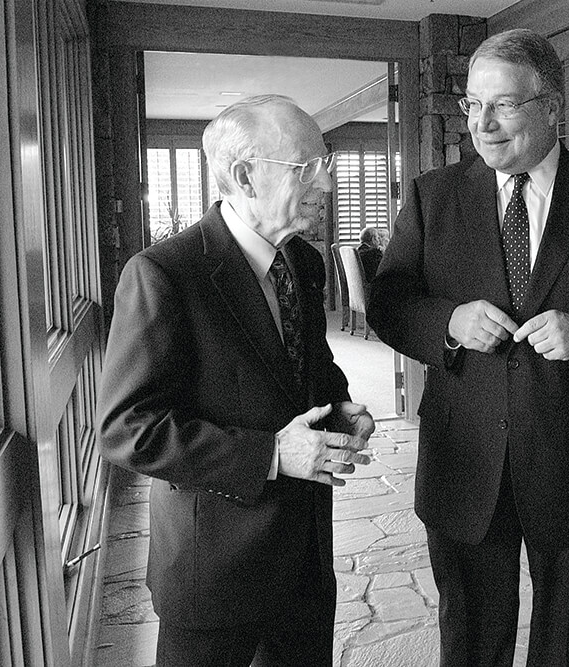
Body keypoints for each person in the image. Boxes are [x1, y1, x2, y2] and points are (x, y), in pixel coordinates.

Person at [368, 28, 569, 666]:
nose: (481, 124)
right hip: (464, 458)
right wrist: (448, 322)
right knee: (472, 639)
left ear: (551, 108)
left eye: (503, 105)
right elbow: (389, 306)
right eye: (472, 106)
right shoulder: (432, 196)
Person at [96, 94, 374, 667]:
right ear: (245, 176)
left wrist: (341, 407)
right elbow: (128, 429)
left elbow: (311, 368)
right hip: (213, 573)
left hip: (304, 561)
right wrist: (271, 454)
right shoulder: (163, 275)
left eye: (328, 161)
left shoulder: (302, 261)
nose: (327, 182)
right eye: (308, 167)